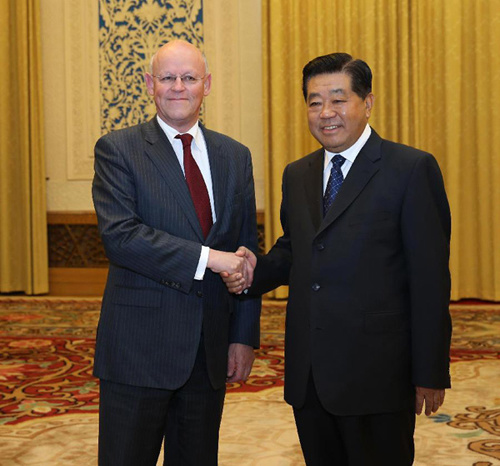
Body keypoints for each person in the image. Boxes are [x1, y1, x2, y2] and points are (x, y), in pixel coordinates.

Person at [223, 52, 451, 465]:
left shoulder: (410, 169)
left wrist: (430, 372)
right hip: (310, 374)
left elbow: (430, 280)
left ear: (368, 103)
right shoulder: (297, 173)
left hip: (379, 376)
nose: (325, 112)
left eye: (338, 99)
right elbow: (297, 247)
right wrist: (253, 271)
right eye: (314, 101)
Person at [92, 39, 261, 465]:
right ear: (150, 85)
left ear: (208, 85)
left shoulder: (234, 156)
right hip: (137, 350)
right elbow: (121, 237)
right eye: (168, 78)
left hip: (208, 352)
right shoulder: (118, 149)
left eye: (189, 78)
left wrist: (242, 336)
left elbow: (245, 249)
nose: (178, 87)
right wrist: (210, 259)